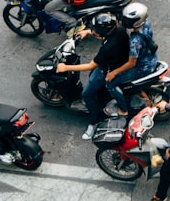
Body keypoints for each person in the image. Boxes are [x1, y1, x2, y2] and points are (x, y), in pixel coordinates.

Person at [55, 12, 130, 140]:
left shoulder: (108, 48)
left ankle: (94, 122)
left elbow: (90, 66)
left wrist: (66, 67)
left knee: (86, 94)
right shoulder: (120, 30)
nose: (94, 31)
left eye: (96, 30)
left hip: (108, 69)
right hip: (119, 61)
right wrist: (89, 32)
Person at [105, 2, 159, 107]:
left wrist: (114, 73)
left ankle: (123, 108)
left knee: (110, 83)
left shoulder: (135, 41)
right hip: (151, 59)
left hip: (142, 68)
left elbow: (131, 63)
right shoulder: (147, 24)